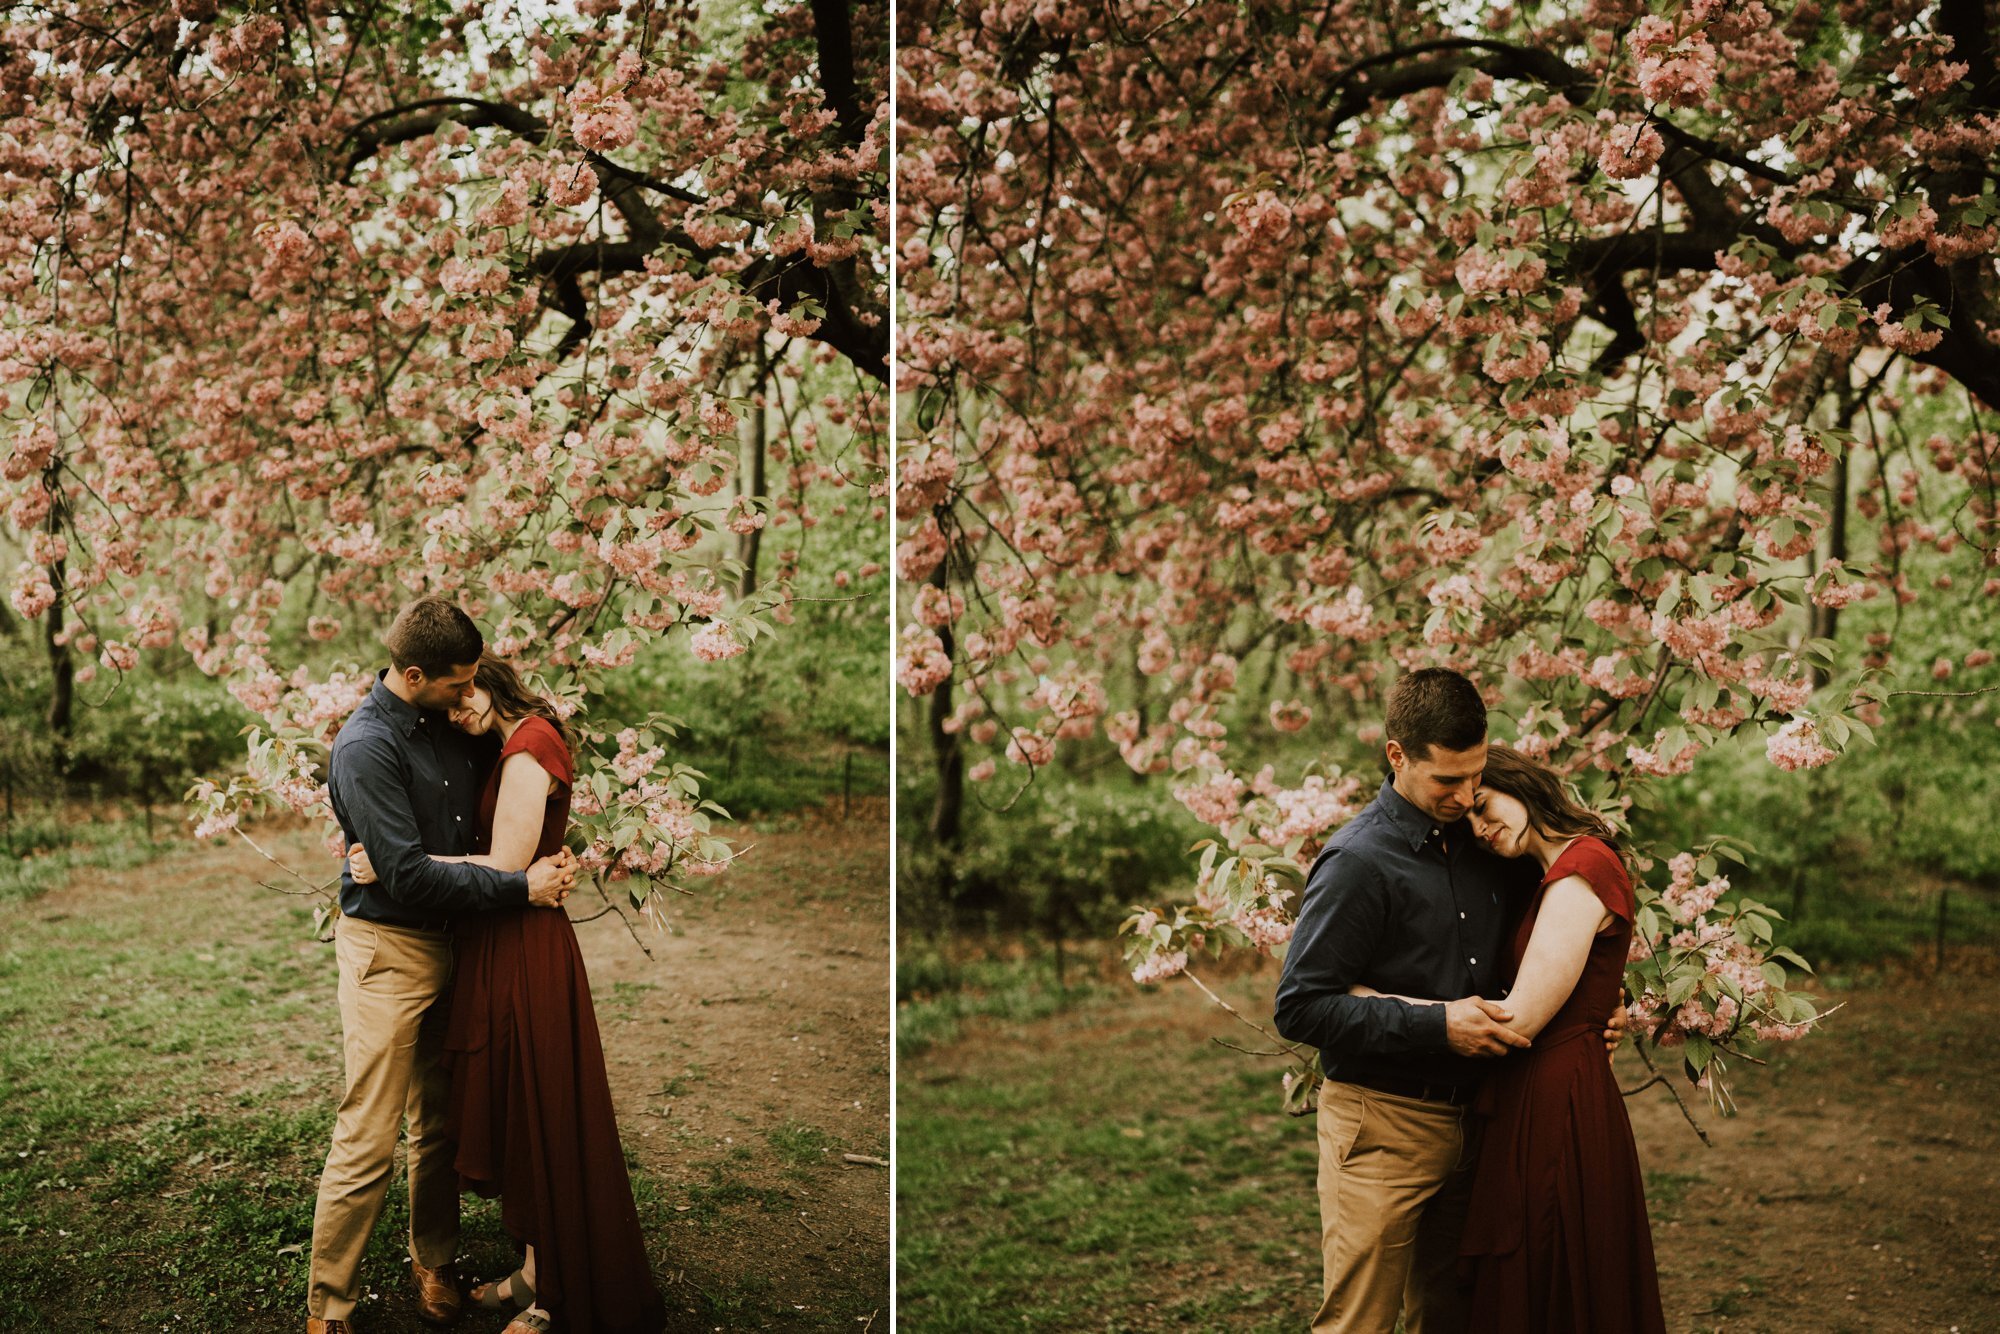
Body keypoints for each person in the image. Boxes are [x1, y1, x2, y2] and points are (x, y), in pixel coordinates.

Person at [350, 652, 668, 1334]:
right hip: (503, 940)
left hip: (527, 948)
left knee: (544, 1111)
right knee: (525, 1106)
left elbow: (505, 867)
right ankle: (535, 1269)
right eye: (450, 700)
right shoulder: (511, 745)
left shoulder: (528, 749)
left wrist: (397, 863)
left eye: (467, 693)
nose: (457, 708)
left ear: (491, 679)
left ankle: (560, 1295)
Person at [309, 598, 579, 1334]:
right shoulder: (365, 747)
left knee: (438, 1124)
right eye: (458, 683)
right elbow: (411, 877)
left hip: (465, 948)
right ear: (416, 674)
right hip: (390, 952)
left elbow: (513, 807)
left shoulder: (458, 724)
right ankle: (329, 1306)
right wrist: (517, 886)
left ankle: (434, 1261)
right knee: (368, 1132)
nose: (472, 693)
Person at [1274, 668, 1535, 1334]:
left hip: (1479, 1125)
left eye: (1475, 773)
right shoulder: (1359, 861)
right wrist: (1437, 1026)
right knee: (1358, 1324)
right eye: (1447, 780)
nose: (1466, 793)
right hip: (1381, 1126)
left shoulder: (1490, 840)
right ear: (1397, 756)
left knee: (1452, 1318)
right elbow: (1301, 1006)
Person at [1451, 744, 1666, 1332]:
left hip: (1557, 1098)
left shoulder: (1581, 872)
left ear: (1519, 784)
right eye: (1467, 820)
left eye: (1484, 805)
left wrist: (1381, 1006)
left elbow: (1517, 1020)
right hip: (1544, 1087)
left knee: (1550, 1263)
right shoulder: (1552, 875)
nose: (1479, 827)